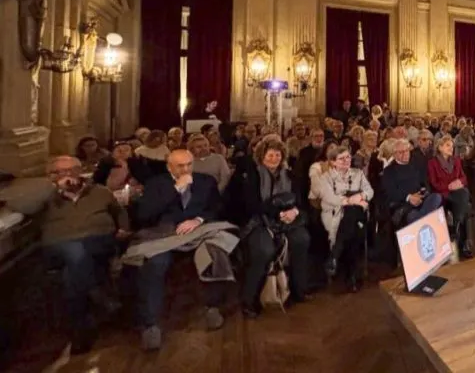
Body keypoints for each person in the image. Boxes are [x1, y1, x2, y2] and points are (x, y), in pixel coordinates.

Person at [132, 149, 233, 351]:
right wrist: (176, 190)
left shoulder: (206, 181)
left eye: (189, 164)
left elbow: (217, 208)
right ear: (169, 166)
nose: (186, 169)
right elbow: (144, 215)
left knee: (215, 252)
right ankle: (150, 324)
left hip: (199, 231)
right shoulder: (156, 183)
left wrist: (198, 220)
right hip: (164, 234)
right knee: (155, 263)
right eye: (180, 166)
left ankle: (212, 306)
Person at [40, 156, 127, 353]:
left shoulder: (99, 191)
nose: (68, 175)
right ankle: (100, 296)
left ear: (80, 172)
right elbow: (26, 207)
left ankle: (80, 332)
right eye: (61, 172)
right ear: (51, 176)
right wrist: (51, 189)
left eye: (72, 170)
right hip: (59, 245)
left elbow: (119, 211)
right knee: (74, 252)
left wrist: (123, 228)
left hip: (98, 240)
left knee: (70, 276)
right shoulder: (45, 198)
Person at [236, 139, 310, 317]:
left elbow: (300, 201)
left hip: (287, 219)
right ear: (262, 156)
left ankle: (298, 290)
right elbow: (250, 205)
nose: (274, 158)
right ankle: (250, 299)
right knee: (264, 250)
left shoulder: (290, 175)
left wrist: (294, 211)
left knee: (301, 240)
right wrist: (277, 213)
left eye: (278, 155)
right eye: (270, 155)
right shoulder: (252, 175)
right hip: (259, 220)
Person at [315, 146, 373, 291]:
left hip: (356, 214)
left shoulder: (358, 173)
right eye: (341, 159)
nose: (346, 160)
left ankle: (334, 255)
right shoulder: (325, 177)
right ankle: (351, 276)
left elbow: (369, 191)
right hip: (334, 213)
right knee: (354, 230)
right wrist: (350, 200)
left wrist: (360, 196)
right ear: (333, 162)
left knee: (352, 216)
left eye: (348, 157)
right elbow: (329, 198)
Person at [428, 135, 474, 258]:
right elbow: (434, 183)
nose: (451, 148)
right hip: (443, 194)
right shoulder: (433, 163)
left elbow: (464, 178)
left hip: (457, 194)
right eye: (448, 145)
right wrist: (449, 186)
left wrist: (459, 182)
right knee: (466, 205)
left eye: (452, 146)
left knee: (464, 193)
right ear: (440, 147)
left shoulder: (456, 160)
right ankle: (463, 241)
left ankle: (458, 229)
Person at [382, 139, 443, 226]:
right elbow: (391, 192)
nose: (405, 154)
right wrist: (409, 197)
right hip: (404, 204)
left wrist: (424, 191)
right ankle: (426, 222)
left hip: (421, 199)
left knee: (436, 197)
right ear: (394, 154)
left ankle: (422, 220)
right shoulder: (389, 171)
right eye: (401, 152)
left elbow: (424, 182)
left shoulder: (416, 164)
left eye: (407, 150)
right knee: (414, 215)